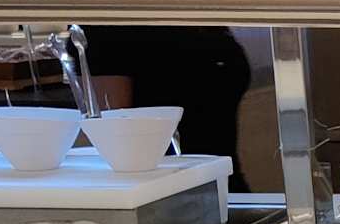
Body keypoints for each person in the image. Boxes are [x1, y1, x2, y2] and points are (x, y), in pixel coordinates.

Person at [80, 26, 254, 188]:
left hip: (224, 188)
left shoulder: (188, 13)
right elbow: (116, 142)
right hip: (169, 194)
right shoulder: (108, 27)